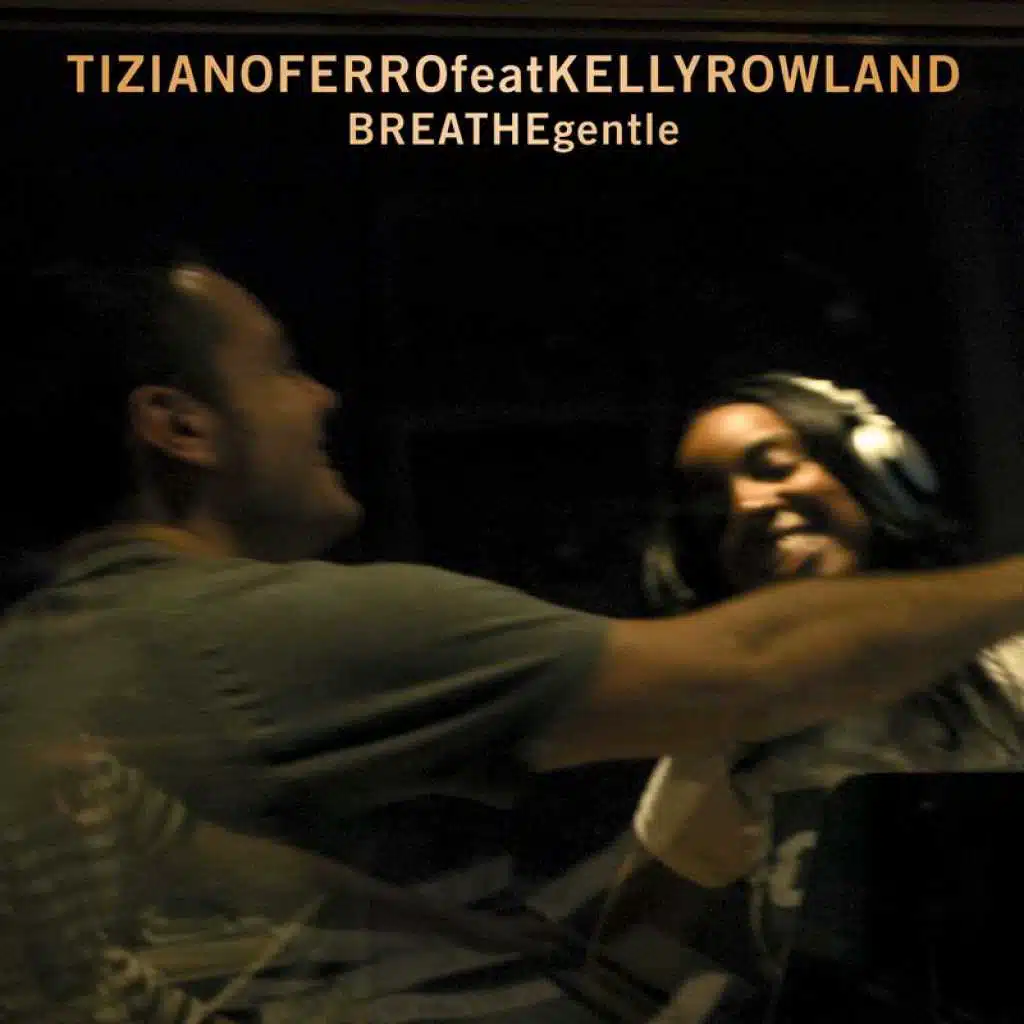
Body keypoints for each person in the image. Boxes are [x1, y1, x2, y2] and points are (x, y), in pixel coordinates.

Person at [3, 258, 1024, 1023]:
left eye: (772, 463)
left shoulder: (54, 651)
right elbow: (746, 672)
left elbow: (204, 855)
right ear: (180, 427)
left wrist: (463, 933)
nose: (322, 395)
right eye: (282, 365)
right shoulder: (257, 629)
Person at [599, 372, 1024, 1021]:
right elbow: (629, 951)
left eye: (772, 467)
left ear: (878, 470)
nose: (746, 505)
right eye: (713, 504)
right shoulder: (738, 734)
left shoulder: (1009, 666)